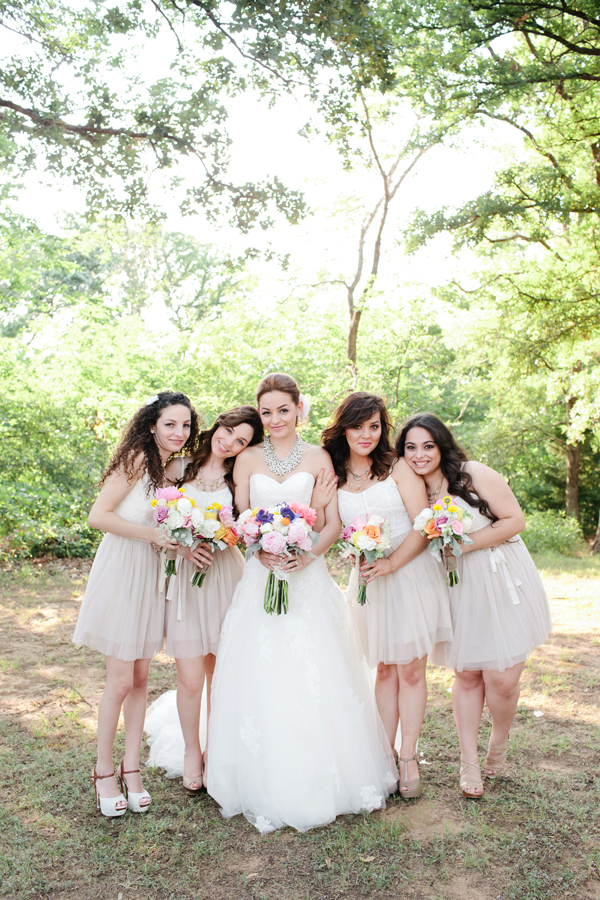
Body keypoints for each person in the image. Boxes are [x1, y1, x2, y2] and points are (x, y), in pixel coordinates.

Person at [206, 373, 398, 834]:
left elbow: (330, 521)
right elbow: (238, 519)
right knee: (260, 668)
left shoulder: (318, 458)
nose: (274, 420)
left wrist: (308, 553)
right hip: (260, 574)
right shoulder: (247, 458)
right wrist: (259, 547)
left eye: (283, 410)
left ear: (298, 409)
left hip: (306, 576)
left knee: (315, 667)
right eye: (266, 411)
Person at [397, 413, 552, 799]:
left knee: (502, 680)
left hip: (501, 580)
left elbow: (515, 520)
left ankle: (498, 741)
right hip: (455, 587)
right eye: (410, 448)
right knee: (466, 676)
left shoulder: (472, 474)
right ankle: (468, 762)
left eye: (427, 446)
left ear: (442, 445)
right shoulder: (410, 489)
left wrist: (465, 543)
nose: (419, 455)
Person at [73, 391, 198, 817]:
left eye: (185, 426)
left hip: (152, 574)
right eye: (170, 425)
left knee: (142, 676)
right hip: (124, 568)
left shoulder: (174, 469)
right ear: (151, 425)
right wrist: (154, 536)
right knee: (121, 679)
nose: (179, 433)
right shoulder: (135, 460)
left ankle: (132, 769)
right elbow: (98, 516)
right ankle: (103, 770)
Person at [322, 392, 452, 799]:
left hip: (409, 576)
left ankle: (408, 756)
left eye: (375, 426)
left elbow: (423, 525)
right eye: (358, 426)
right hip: (367, 582)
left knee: (411, 670)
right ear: (343, 428)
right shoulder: (334, 473)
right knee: (382, 670)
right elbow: (329, 526)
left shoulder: (397, 467)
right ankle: (382, 754)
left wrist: (392, 563)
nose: (367, 434)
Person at [145, 407, 263, 793]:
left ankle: (217, 750)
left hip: (225, 575)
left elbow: (247, 526)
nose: (229, 441)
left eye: (241, 440)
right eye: (228, 430)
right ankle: (191, 752)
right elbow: (158, 521)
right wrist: (184, 548)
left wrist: (225, 535)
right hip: (187, 579)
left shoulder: (238, 476)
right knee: (190, 676)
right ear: (218, 425)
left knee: (220, 674)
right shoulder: (180, 468)